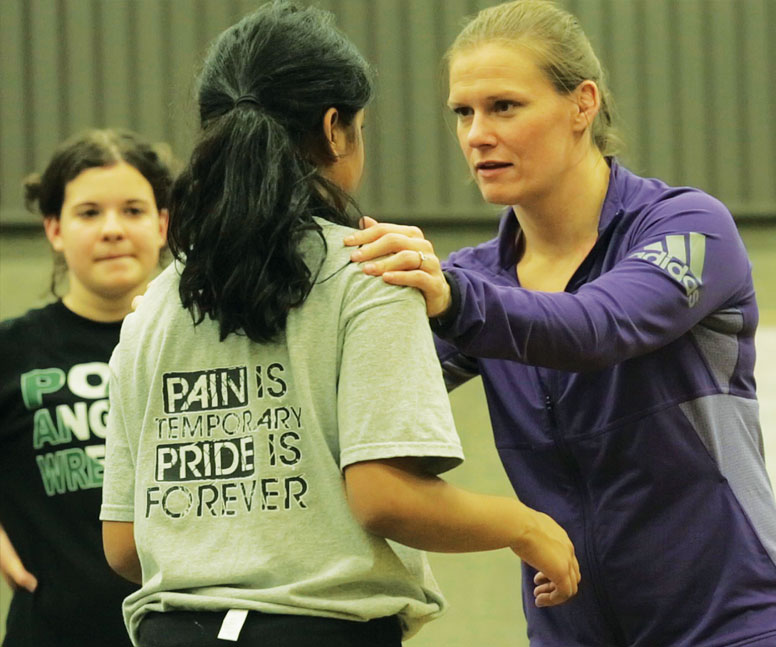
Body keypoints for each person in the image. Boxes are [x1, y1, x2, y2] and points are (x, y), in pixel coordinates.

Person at [98, 3, 578, 647]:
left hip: (171, 630)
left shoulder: (152, 308)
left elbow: (125, 544)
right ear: (334, 129)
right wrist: (526, 526)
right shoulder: (372, 273)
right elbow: (383, 497)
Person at [346, 1, 776, 645]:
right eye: (464, 112)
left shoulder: (689, 228)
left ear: (582, 105)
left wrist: (454, 299)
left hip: (729, 625)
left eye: (504, 106)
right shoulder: (476, 279)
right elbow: (357, 407)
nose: (477, 133)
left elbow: (597, 326)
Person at [0, 128, 172, 647]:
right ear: (54, 229)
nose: (113, 229)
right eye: (89, 212)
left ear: (164, 223)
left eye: (134, 211)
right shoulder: (14, 350)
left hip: (182, 630)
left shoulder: (207, 345)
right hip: (52, 633)